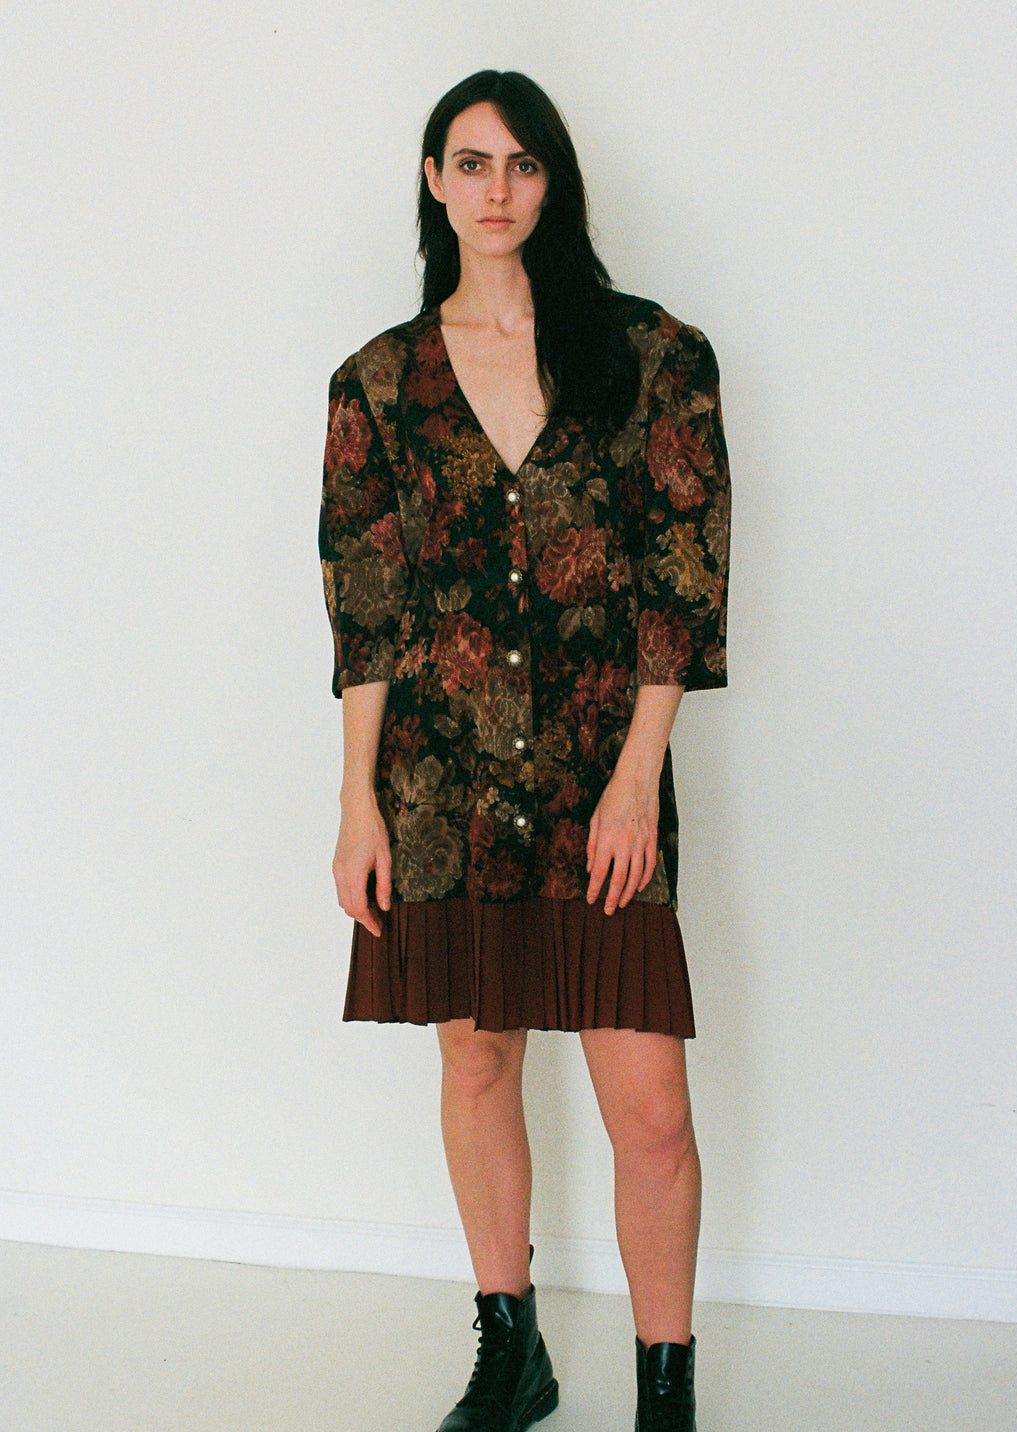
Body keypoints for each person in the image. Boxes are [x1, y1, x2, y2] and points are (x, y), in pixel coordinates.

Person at [320, 69, 729, 1432]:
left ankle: (664, 1392)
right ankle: (514, 1355)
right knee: (478, 1062)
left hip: (598, 787)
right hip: (438, 785)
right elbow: (368, 606)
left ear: (554, 184)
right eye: (472, 163)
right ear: (434, 181)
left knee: (651, 1109)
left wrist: (633, 783)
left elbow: (683, 586)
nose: (497, 190)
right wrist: (356, 804)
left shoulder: (655, 355)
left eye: (524, 165)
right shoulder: (376, 383)